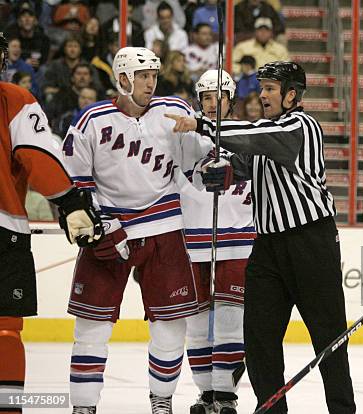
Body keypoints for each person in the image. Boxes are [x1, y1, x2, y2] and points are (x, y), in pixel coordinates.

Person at [165, 61, 356, 414]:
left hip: (310, 242)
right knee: (258, 340)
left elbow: (261, 138)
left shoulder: (300, 125)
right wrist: (219, 173)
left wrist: (205, 123)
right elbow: (242, 164)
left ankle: (342, 410)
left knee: (329, 338)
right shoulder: (267, 131)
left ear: (292, 95)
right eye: (261, 87)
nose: (262, 94)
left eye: (270, 88)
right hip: (268, 246)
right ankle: (271, 410)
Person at [61, 46, 203, 414]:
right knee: (91, 325)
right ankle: (84, 407)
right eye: (143, 76)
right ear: (122, 79)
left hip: (164, 228)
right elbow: (73, 183)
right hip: (111, 230)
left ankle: (161, 401)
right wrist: (100, 225)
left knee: (171, 326)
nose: (150, 83)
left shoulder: (175, 111)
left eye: (154, 75)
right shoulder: (93, 119)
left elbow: (199, 163)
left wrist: (214, 162)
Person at [0, 31, 103, 414]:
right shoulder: (13, 99)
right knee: (5, 330)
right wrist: (71, 200)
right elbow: (36, 157)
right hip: (3, 231)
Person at [180, 69, 255, 414]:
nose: (212, 104)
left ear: (231, 98)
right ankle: (205, 391)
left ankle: (225, 393)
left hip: (239, 239)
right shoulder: (184, 134)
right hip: (193, 239)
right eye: (206, 98)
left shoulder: (249, 134)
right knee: (196, 321)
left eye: (218, 97)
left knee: (229, 319)